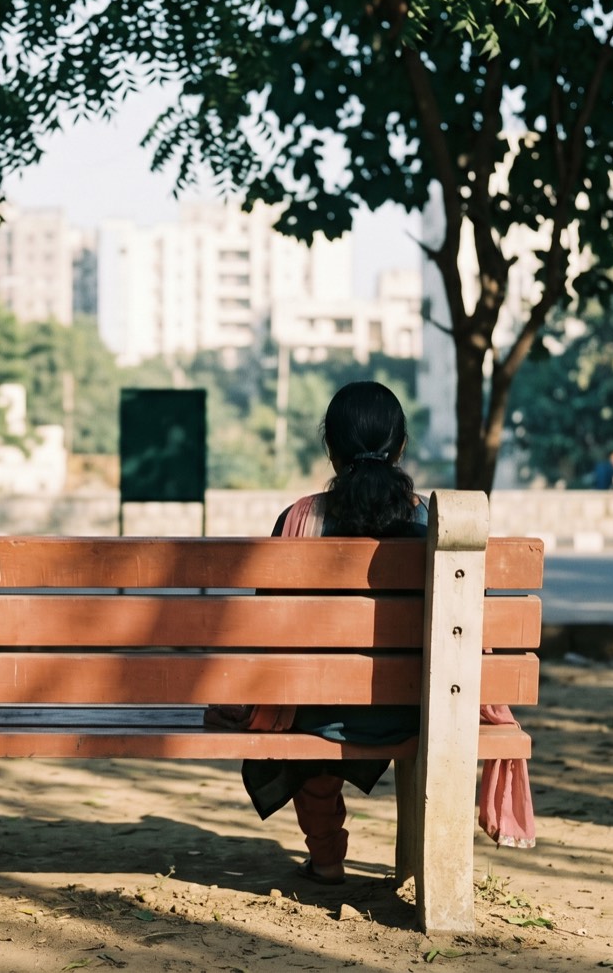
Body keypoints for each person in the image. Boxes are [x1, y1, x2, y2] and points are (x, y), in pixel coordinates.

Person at [205, 380, 534, 887]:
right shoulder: (432, 522)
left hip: (317, 710)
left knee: (309, 718)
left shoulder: (299, 519)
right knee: (349, 703)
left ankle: (328, 857)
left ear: (331, 450)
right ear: (400, 448)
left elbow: (267, 630)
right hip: (419, 708)